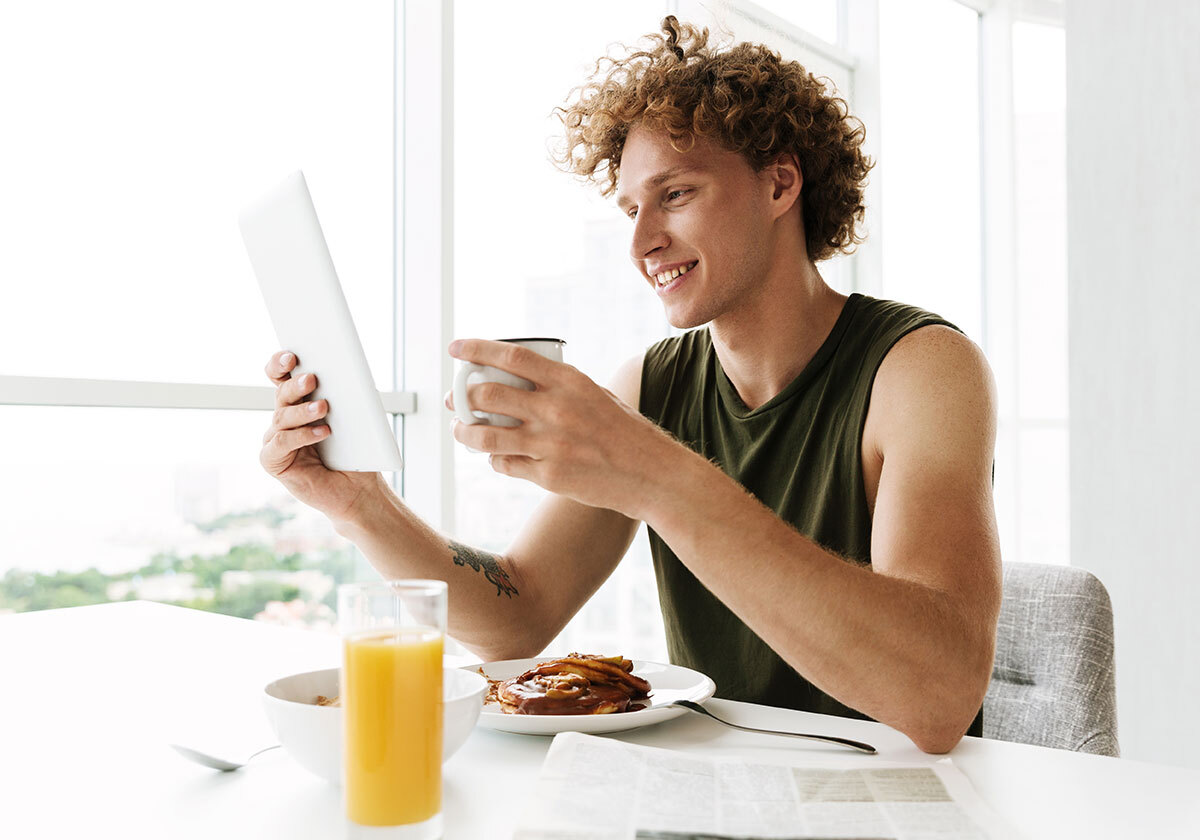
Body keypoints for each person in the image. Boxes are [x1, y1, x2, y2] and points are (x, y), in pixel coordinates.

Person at [260, 17, 1001, 754]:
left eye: (675, 194)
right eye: (630, 209)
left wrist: (651, 471)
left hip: (899, 802)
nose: (641, 241)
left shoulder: (923, 368)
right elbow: (517, 615)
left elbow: (938, 696)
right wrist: (360, 504)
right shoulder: (653, 384)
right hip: (722, 793)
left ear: (780, 183)